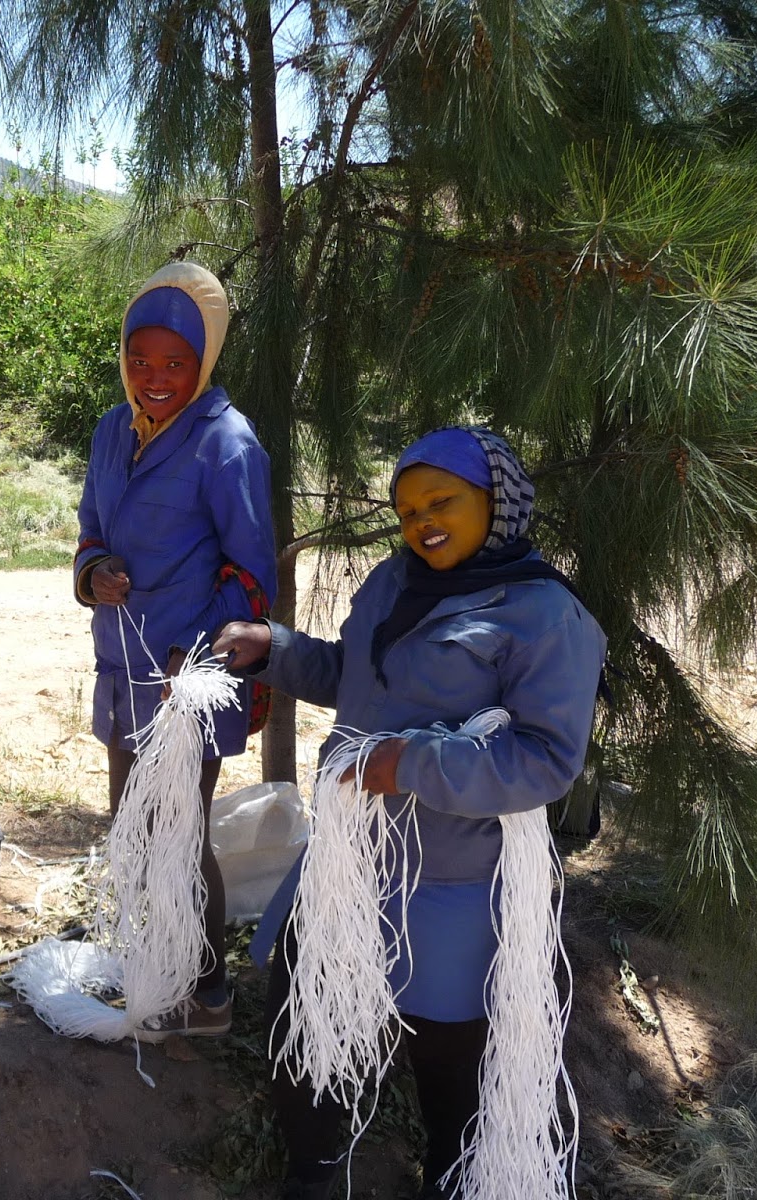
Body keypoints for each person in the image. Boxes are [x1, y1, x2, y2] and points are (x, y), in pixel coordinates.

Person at [214, 426, 606, 1199]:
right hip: (347, 862)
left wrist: (409, 764)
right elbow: (357, 678)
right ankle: (311, 1175)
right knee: (306, 1019)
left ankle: (452, 1182)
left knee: (448, 1058)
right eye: (405, 508)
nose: (421, 520)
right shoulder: (398, 582)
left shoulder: (544, 615)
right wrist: (275, 648)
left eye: (442, 502)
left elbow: (543, 761)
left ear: (494, 504)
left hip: (452, 885)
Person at [73, 260, 277, 1041]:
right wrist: (94, 573)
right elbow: (91, 527)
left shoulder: (226, 445)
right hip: (123, 666)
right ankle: (161, 962)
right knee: (132, 817)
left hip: (185, 683)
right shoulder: (109, 430)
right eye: (140, 360)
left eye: (175, 363)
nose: (154, 378)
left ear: (205, 361)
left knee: (178, 830)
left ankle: (207, 992)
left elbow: (250, 575)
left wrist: (202, 670)